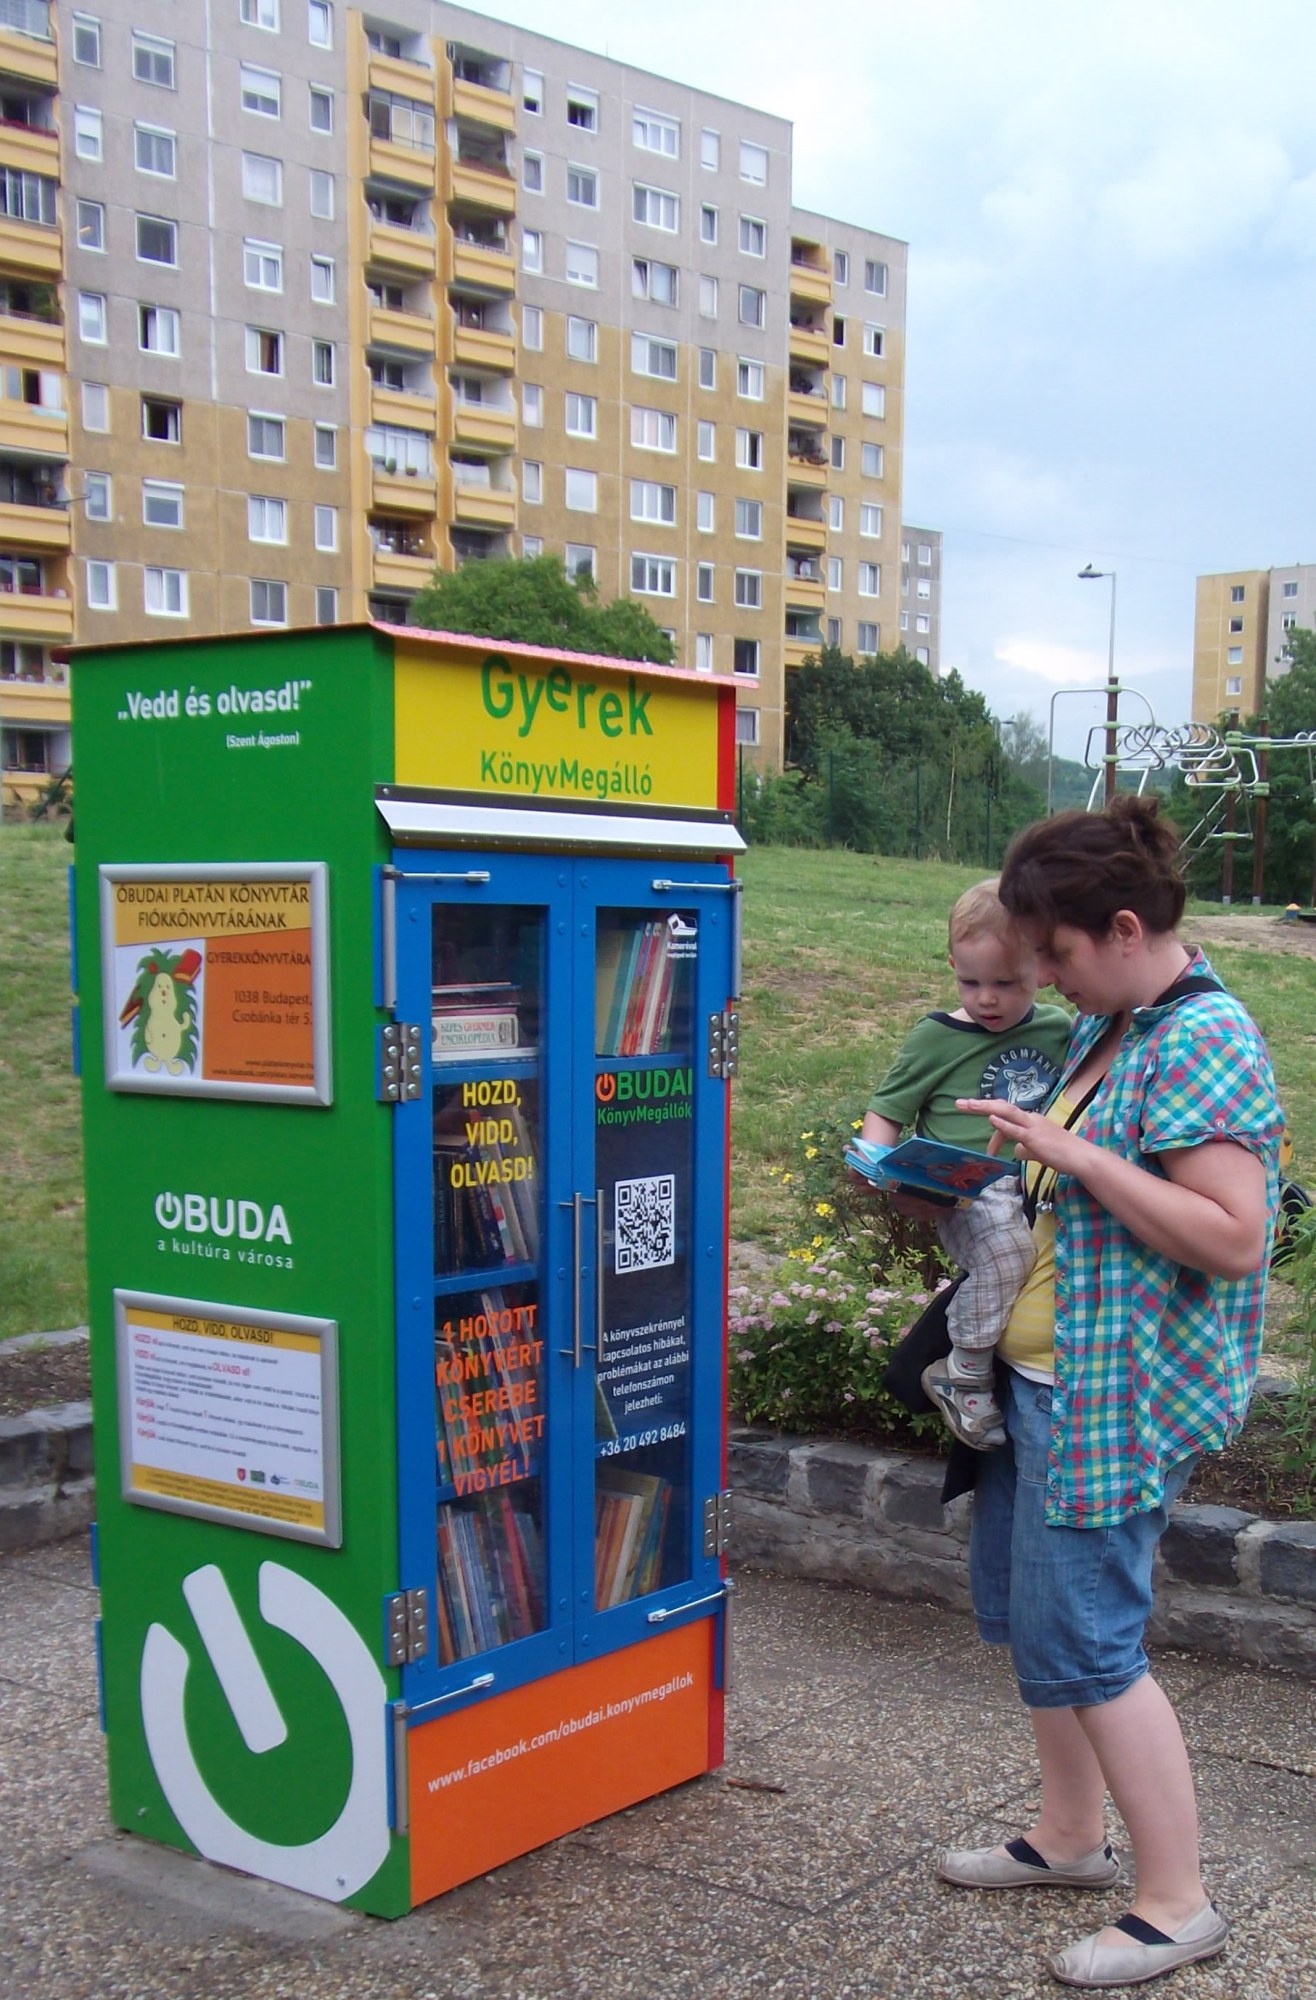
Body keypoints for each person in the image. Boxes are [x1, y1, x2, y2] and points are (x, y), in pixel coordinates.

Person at [943, 797, 1281, 1989]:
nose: (1042, 976)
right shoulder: (1120, 1018)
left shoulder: (1200, 1038)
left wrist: (1075, 1154)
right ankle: (1068, 1835)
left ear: (1123, 927)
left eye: (1055, 952)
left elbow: (1233, 1235)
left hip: (1112, 1393)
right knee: (1035, 1618)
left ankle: (1175, 1900)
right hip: (1045, 1375)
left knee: (1089, 1637)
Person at [859, 880, 1071, 1448]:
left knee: (1029, 1264)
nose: (987, 999)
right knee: (1006, 1255)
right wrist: (879, 1168)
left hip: (1035, 1181)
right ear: (953, 965)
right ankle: (965, 1368)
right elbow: (887, 1110)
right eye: (971, 982)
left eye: (1007, 983)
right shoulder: (937, 1037)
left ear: (1042, 969)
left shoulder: (1057, 1028)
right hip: (965, 1187)